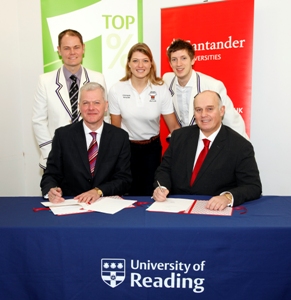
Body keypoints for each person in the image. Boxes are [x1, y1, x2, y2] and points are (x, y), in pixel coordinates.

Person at [153, 90, 262, 211]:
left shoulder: (240, 146)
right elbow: (164, 170)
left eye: (210, 109)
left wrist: (227, 197)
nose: (203, 115)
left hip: (213, 211)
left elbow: (253, 186)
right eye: (198, 110)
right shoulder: (179, 137)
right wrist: (161, 187)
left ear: (222, 111)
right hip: (176, 209)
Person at [41, 82, 131, 204]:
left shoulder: (120, 137)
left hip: (106, 205)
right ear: (79, 106)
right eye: (86, 103)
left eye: (96, 103)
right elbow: (51, 174)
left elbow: (124, 179)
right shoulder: (63, 136)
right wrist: (51, 190)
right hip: (71, 204)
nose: (91, 108)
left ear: (106, 106)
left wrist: (98, 191)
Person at [108, 43, 180, 196]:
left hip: (152, 151)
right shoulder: (117, 89)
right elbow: (115, 131)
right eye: (135, 61)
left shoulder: (161, 88)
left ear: (151, 64)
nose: (140, 65)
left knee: (151, 195)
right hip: (127, 151)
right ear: (128, 64)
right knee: (128, 195)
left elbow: (174, 127)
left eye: (145, 60)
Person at [33, 29, 107, 170]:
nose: (72, 52)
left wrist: (100, 153)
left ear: (83, 48)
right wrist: (53, 156)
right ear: (59, 50)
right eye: (66, 48)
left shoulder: (98, 78)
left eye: (76, 47)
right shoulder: (45, 81)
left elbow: (105, 118)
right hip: (56, 159)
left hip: (92, 159)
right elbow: (38, 121)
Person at [163, 39, 248, 139]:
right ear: (170, 63)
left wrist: (244, 150)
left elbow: (232, 121)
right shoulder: (166, 80)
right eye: (174, 59)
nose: (179, 64)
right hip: (183, 143)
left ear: (193, 60)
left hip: (207, 141)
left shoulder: (213, 86)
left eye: (183, 58)